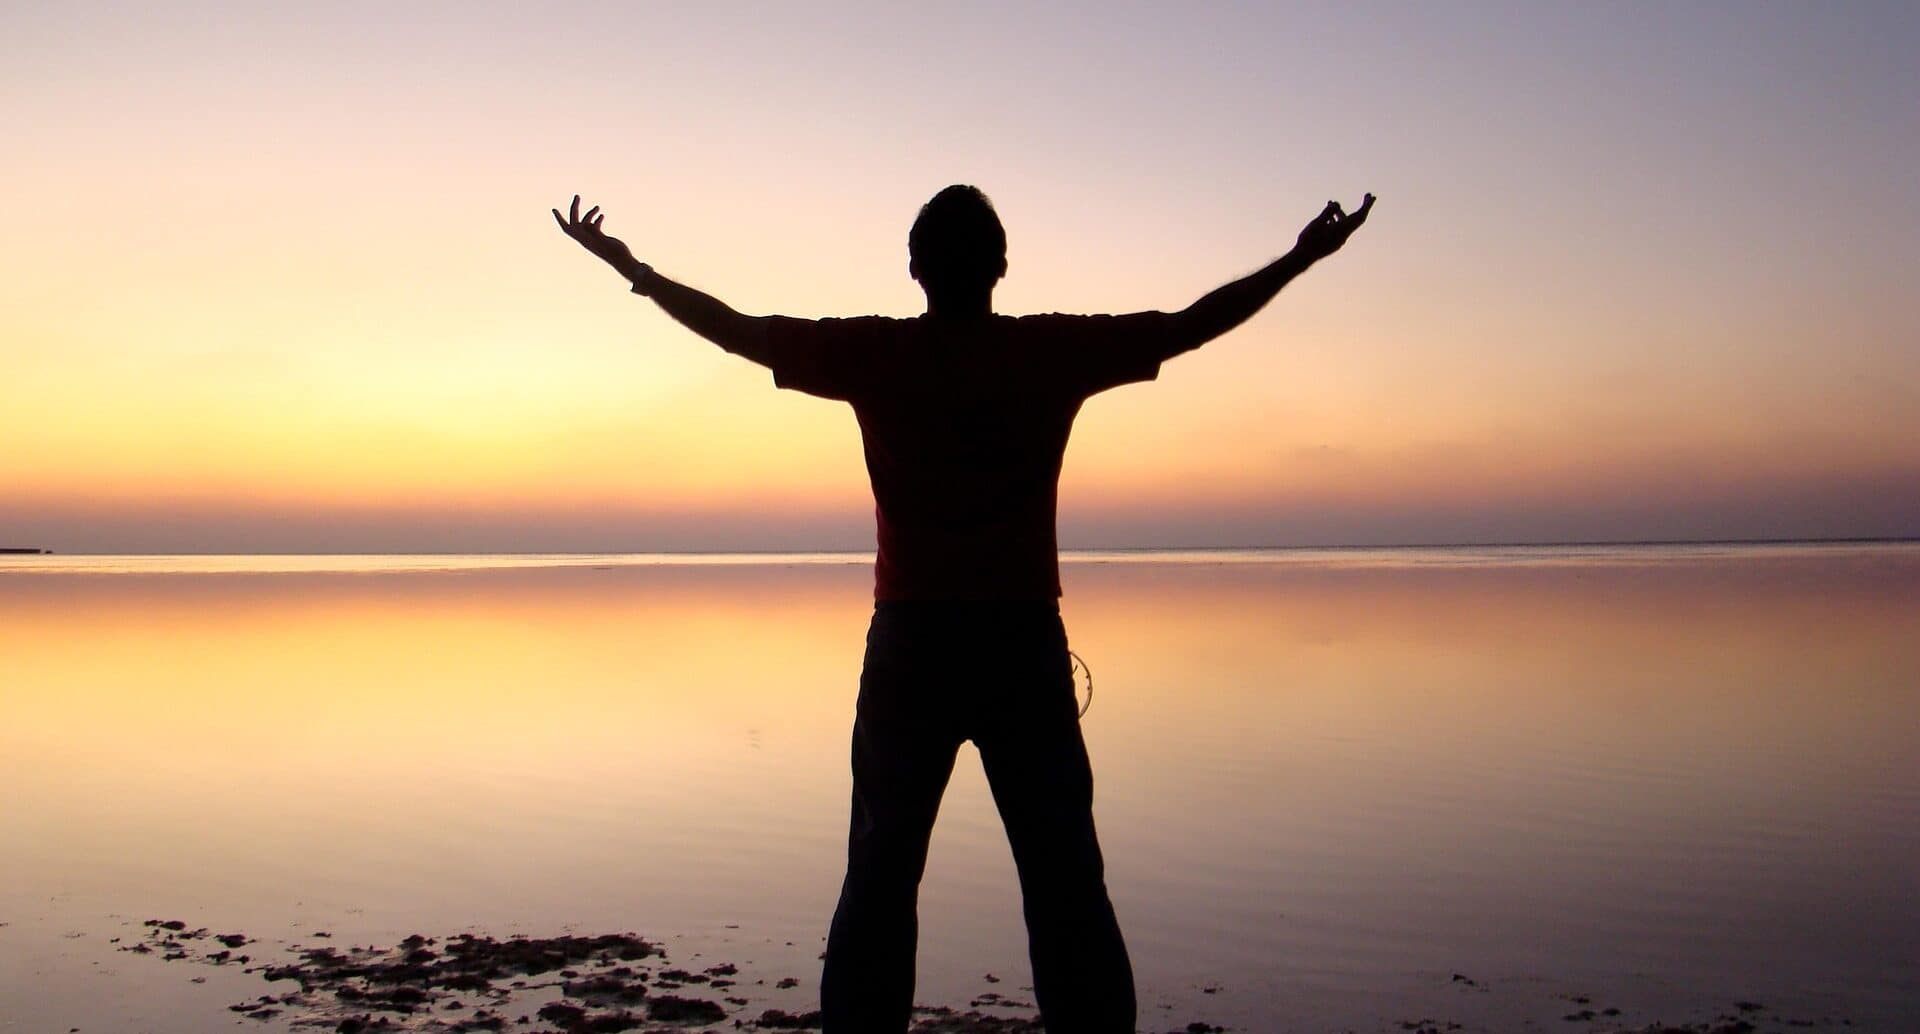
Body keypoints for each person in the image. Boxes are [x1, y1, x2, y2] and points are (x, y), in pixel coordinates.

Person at [554, 185, 1373, 1033]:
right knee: (1063, 877)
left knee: (880, 874)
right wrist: (1301, 258)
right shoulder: (1046, 352)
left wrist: (634, 270)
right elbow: (1190, 324)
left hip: (913, 644)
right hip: (1019, 643)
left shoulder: (877, 354)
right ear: (1002, 267)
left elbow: (739, 331)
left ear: (914, 270)